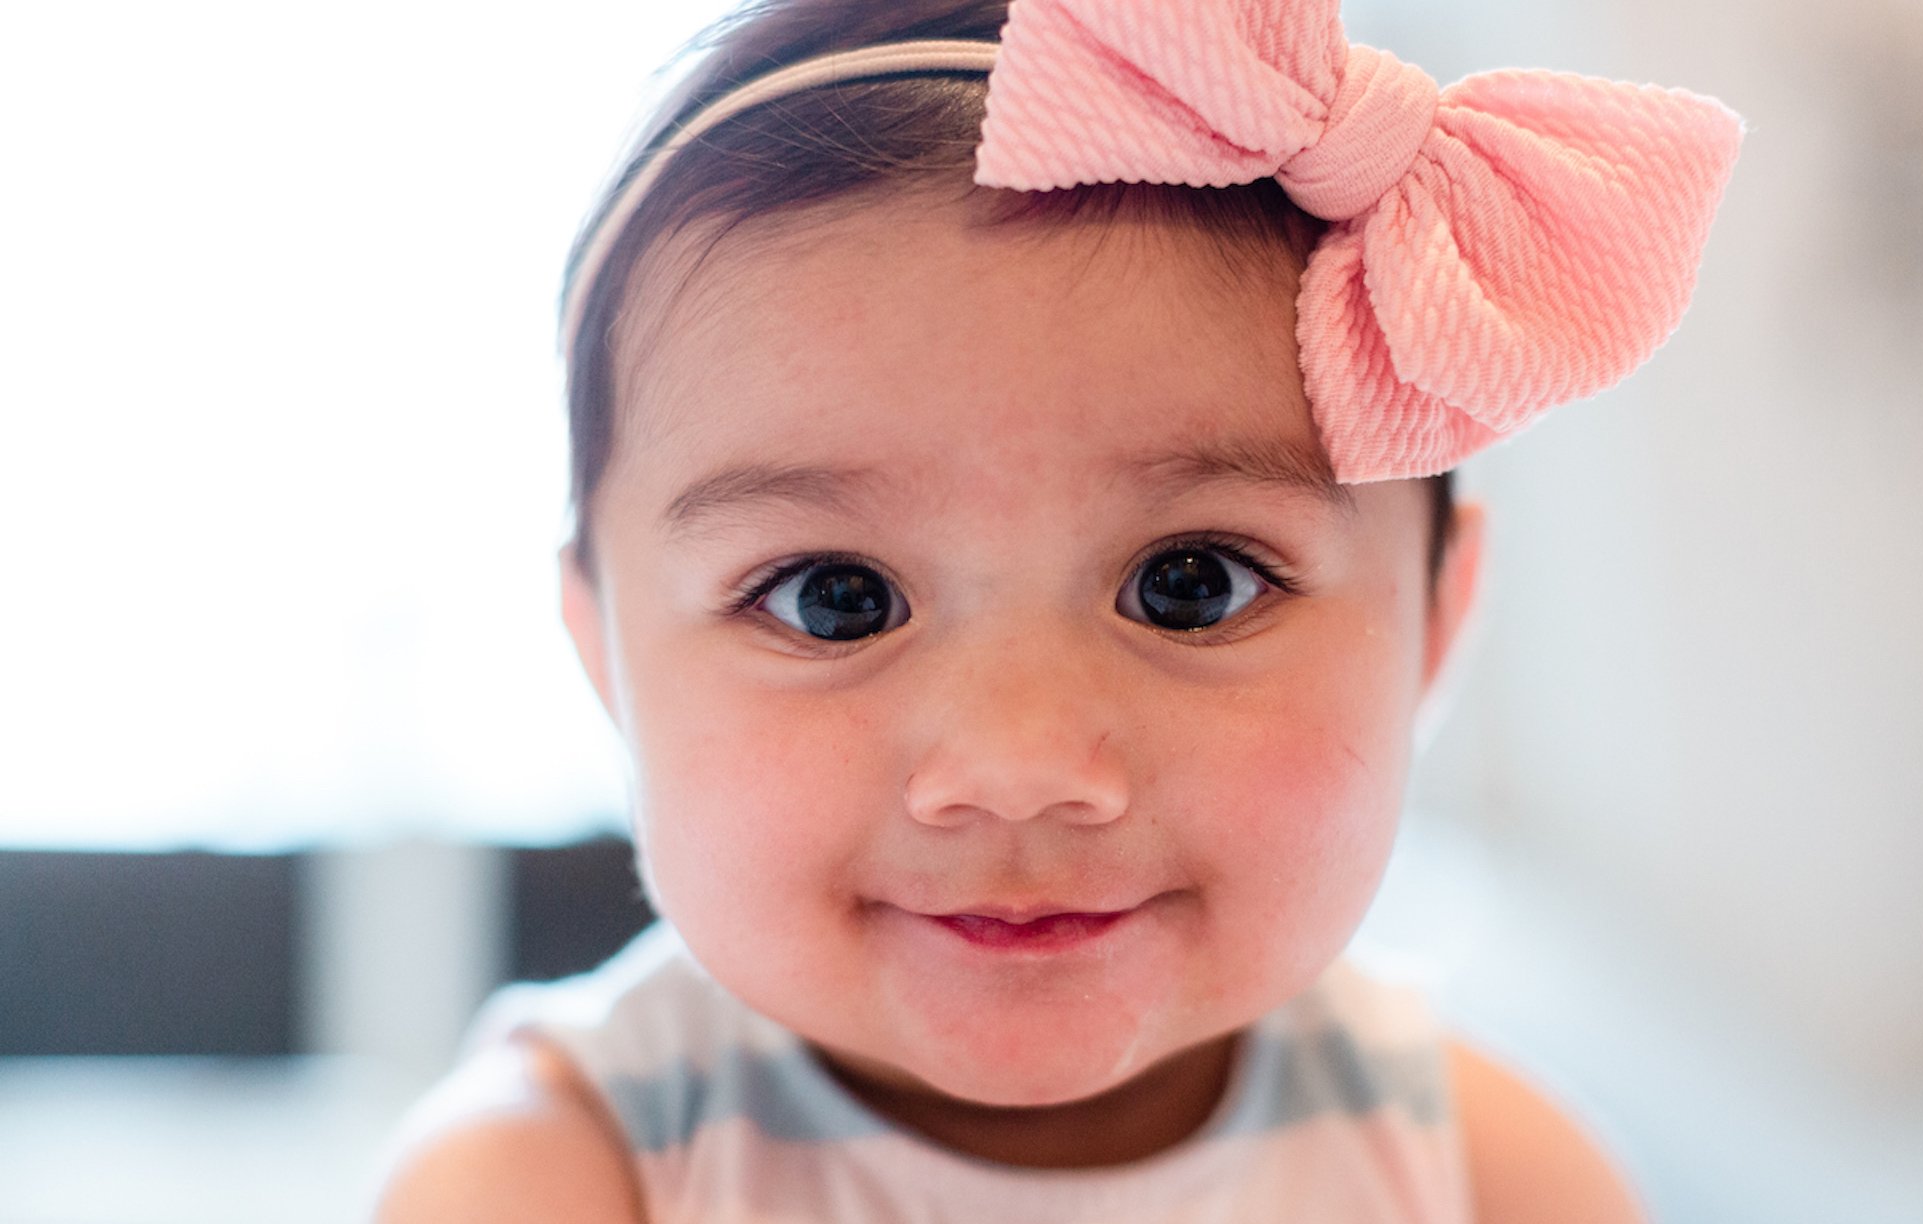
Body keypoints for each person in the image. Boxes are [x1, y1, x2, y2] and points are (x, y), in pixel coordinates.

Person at [377, 0, 1741, 1218]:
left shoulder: (1488, 1179)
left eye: (1189, 587)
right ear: (603, 654)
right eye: (835, 600)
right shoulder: (556, 1176)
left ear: (1439, 626)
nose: (1021, 765)